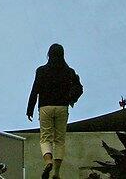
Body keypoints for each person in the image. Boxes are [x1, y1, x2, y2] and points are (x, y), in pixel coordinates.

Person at [26, 43, 83, 179]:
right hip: (62, 107)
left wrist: (30, 109)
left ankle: (48, 161)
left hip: (45, 107)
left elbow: (35, 91)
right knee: (59, 140)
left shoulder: (41, 71)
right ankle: (56, 173)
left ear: (49, 55)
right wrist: (71, 99)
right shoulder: (69, 71)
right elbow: (79, 88)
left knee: (45, 137)